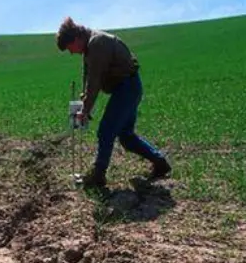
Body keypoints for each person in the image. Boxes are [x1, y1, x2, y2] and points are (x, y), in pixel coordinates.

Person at [56, 17, 171, 189]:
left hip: (127, 87)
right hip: (126, 88)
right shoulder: (89, 47)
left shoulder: (97, 44)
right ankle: (160, 162)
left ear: (76, 39)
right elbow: (87, 79)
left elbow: (94, 82)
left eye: (69, 48)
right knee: (126, 136)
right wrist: (83, 103)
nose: (71, 53)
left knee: (106, 130)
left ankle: (98, 175)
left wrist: (85, 110)